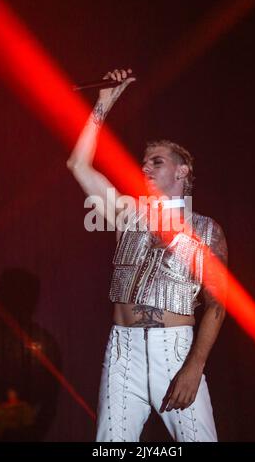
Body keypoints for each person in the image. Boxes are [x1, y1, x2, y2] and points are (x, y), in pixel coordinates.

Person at [67, 68, 228, 442]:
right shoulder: (128, 214)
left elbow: (217, 305)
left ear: (182, 171)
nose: (144, 167)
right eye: (144, 162)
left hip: (174, 352)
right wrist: (103, 104)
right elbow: (78, 165)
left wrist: (194, 366)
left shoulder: (206, 230)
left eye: (156, 161)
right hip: (122, 351)